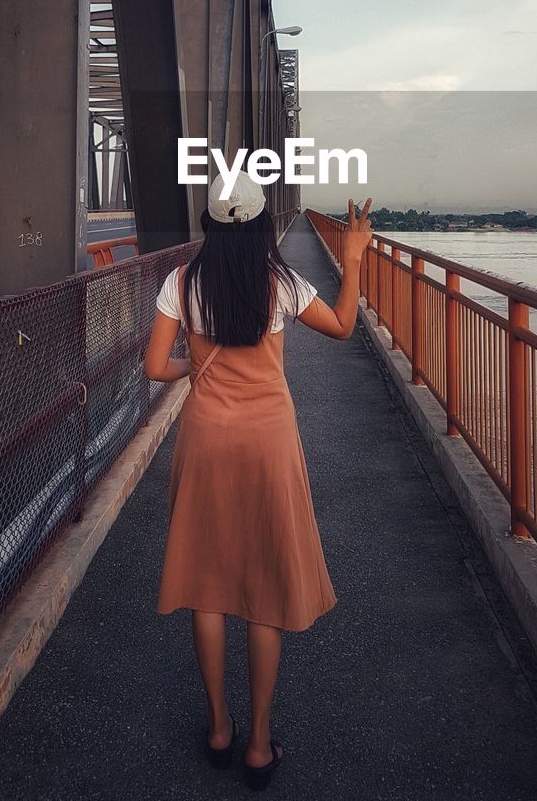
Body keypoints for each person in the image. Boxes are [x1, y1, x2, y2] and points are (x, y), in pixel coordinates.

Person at [143, 173, 373, 791]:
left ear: (210, 224)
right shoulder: (282, 283)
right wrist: (351, 259)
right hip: (270, 442)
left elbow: (154, 366)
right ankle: (260, 743)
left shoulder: (181, 283)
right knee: (265, 588)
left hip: (206, 440)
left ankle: (219, 728)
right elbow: (345, 325)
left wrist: (196, 362)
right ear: (265, 223)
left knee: (208, 583)